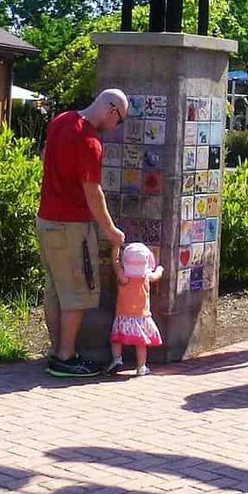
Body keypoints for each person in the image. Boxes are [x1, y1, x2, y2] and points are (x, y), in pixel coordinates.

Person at [36, 88, 129, 378]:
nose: (116, 128)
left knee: (56, 290)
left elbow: (43, 157)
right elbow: (93, 192)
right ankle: (66, 356)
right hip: (71, 226)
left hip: (46, 220)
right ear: (112, 110)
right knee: (77, 291)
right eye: (121, 121)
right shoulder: (90, 142)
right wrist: (111, 231)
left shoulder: (61, 121)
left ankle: (56, 352)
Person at [106, 242, 163, 376]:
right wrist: (160, 268)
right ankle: (141, 366)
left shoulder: (123, 276)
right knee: (141, 343)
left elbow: (115, 262)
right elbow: (157, 275)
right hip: (141, 316)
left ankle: (117, 359)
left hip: (122, 315)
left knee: (117, 339)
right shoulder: (146, 277)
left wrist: (115, 246)